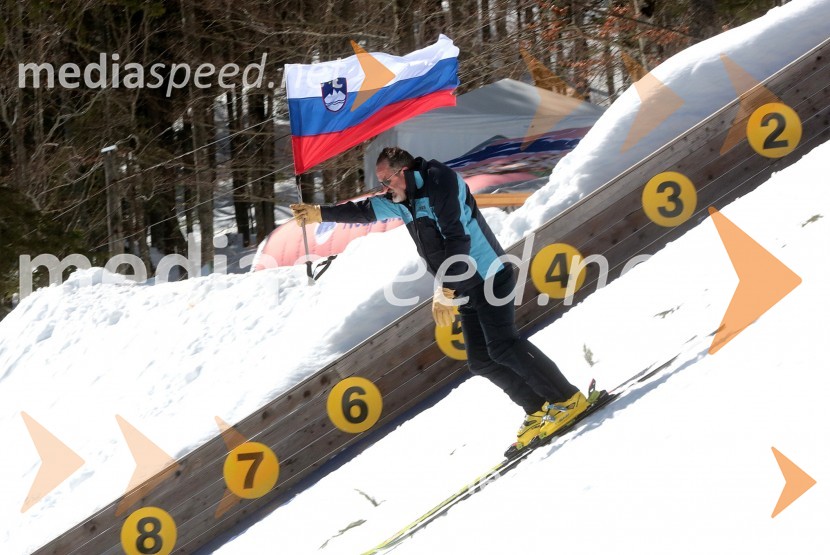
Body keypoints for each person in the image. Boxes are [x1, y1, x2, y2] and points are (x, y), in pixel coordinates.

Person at [291, 147, 592, 456]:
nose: (385, 187)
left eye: (387, 180)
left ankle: (567, 399)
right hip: (464, 285)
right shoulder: (402, 200)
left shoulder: (440, 183)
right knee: (482, 360)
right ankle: (539, 408)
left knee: (503, 345)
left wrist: (445, 289)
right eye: (381, 182)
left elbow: (457, 238)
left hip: (489, 275)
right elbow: (367, 210)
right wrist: (320, 213)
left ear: (404, 172)